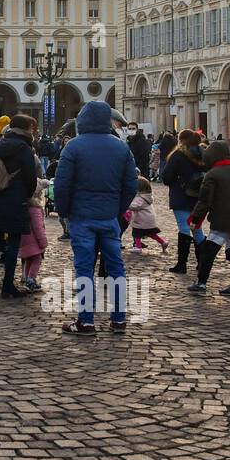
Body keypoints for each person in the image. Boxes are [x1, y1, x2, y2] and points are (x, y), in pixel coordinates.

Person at [54, 101, 136, 335]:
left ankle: (86, 320)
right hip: (109, 216)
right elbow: (130, 185)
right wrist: (116, 209)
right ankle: (119, 319)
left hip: (81, 216)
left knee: (84, 268)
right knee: (116, 267)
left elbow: (62, 185)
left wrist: (64, 211)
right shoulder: (121, 148)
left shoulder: (73, 147)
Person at [186, 139, 230, 296]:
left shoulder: (212, 175)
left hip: (221, 222)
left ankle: (201, 282)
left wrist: (195, 219)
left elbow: (204, 200)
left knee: (208, 253)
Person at [0, 115, 39, 296]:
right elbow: (31, 178)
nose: (33, 131)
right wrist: (25, 195)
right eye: (31, 128)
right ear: (25, 129)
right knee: (13, 244)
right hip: (16, 199)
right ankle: (8, 286)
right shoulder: (24, 148)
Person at [161, 130, 206, 274]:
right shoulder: (203, 154)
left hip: (181, 195)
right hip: (198, 197)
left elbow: (167, 177)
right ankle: (203, 262)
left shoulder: (178, 155)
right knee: (197, 229)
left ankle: (182, 264)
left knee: (184, 228)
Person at [127, 177, 167, 254]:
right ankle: (163, 242)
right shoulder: (147, 196)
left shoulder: (140, 198)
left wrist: (127, 204)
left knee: (136, 233)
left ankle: (138, 247)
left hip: (141, 220)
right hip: (148, 220)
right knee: (152, 234)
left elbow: (135, 206)